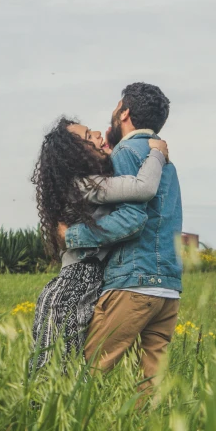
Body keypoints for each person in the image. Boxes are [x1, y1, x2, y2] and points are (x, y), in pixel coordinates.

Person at [60, 82, 182, 388]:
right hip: (168, 288)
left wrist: (72, 236)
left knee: (87, 375)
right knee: (151, 385)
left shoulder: (126, 152)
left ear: (124, 112)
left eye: (116, 107)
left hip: (133, 282)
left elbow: (132, 218)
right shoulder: (166, 161)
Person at [29, 116, 170, 374]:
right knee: (57, 372)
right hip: (74, 286)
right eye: (87, 136)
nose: (96, 133)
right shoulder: (86, 183)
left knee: (63, 370)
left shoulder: (88, 182)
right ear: (75, 153)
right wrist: (157, 154)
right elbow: (143, 188)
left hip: (83, 282)